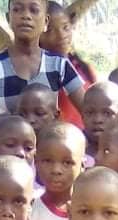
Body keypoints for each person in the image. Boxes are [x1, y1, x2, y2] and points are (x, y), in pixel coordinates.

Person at [0, 0, 85, 119]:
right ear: (8, 18)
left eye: (34, 10)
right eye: (17, 9)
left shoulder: (59, 64)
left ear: (46, 21)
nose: (26, 16)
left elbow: (88, 111)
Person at [40, 0, 96, 128]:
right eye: (50, 30)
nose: (61, 35)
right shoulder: (41, 72)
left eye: (65, 27)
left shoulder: (85, 69)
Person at [30, 121, 84, 220]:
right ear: (36, 161)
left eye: (67, 162)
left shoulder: (90, 213)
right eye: (48, 161)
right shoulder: (29, 209)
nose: (56, 170)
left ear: (82, 165)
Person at [80, 81, 118, 165]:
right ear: (82, 115)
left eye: (107, 113)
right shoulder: (74, 149)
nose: (97, 120)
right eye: (90, 112)